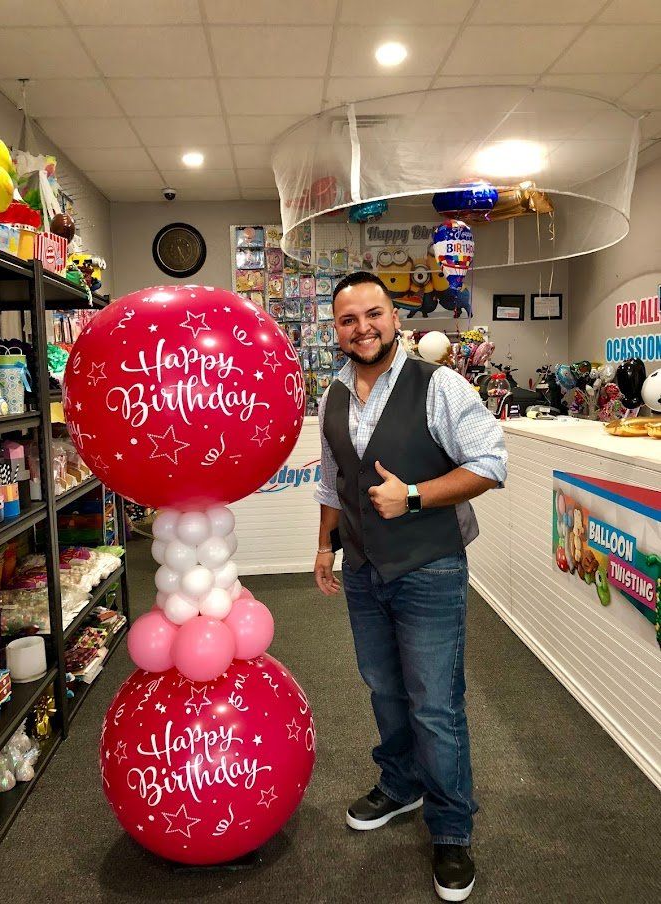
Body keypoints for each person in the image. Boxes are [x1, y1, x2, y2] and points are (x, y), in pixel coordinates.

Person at [313, 271, 507, 902]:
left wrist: (415, 496)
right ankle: (400, 784)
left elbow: (489, 464)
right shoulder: (332, 394)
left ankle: (451, 830)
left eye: (373, 314)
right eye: (348, 320)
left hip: (431, 567)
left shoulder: (439, 384)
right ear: (335, 329)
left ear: (394, 317)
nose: (362, 328)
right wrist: (325, 545)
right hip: (365, 568)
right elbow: (331, 480)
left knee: (435, 703)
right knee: (384, 688)